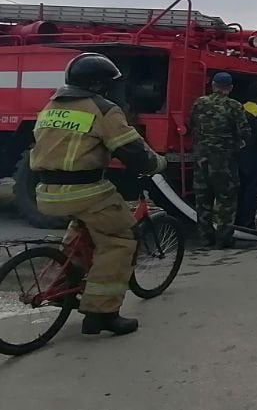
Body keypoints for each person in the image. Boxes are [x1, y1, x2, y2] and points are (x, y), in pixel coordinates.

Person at [31, 53, 168, 337]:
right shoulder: (103, 109)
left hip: (46, 191)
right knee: (121, 239)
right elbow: (132, 150)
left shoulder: (51, 106)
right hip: (85, 190)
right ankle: (102, 312)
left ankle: (60, 287)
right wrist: (156, 163)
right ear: (100, 84)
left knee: (85, 229)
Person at [188, 71, 250, 248]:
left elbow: (191, 124)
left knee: (202, 200)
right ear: (230, 88)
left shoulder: (199, 103)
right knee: (226, 201)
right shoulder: (234, 106)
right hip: (224, 161)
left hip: (201, 160)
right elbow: (244, 132)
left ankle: (205, 238)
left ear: (213, 86)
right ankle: (224, 239)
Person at [236, 80, 257, 229]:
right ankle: (248, 223)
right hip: (255, 158)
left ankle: (237, 221)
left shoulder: (240, 108)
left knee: (240, 191)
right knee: (253, 191)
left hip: (239, 156)